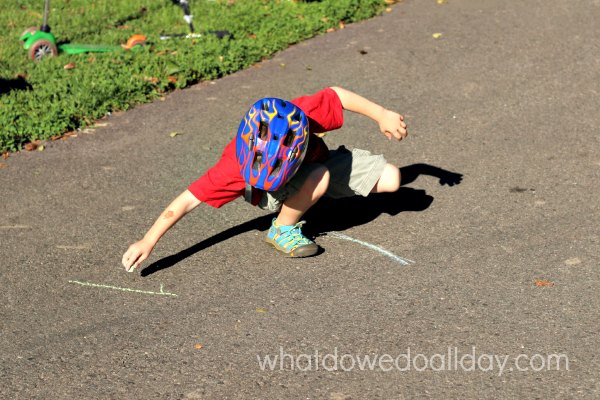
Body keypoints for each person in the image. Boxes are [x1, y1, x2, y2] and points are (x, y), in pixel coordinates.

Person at [122, 86, 407, 271]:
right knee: (318, 177)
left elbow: (337, 95)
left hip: (318, 162)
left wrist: (382, 114)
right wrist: (147, 241)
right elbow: (185, 201)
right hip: (285, 185)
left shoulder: (303, 116)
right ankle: (282, 229)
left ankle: (309, 194)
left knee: (392, 179)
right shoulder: (233, 166)